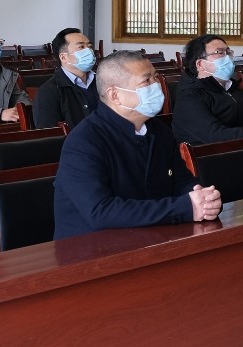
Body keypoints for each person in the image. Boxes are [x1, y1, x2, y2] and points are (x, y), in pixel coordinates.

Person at [54, 51, 220, 240]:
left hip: (152, 235)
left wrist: (202, 198)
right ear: (115, 95)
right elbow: (100, 211)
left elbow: (181, 180)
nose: (157, 85)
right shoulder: (84, 141)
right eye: (146, 81)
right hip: (92, 247)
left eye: (155, 78)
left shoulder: (159, 130)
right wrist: (184, 208)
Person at [31, 27, 101, 128]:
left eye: (89, 46)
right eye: (81, 47)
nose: (89, 51)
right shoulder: (48, 91)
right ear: (63, 57)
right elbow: (48, 133)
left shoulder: (102, 81)